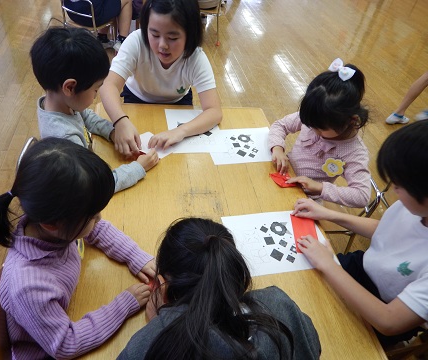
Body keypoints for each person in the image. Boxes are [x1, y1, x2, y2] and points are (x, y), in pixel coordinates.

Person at [0, 138, 156, 359]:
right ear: (52, 224)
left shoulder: (53, 223)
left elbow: (96, 230)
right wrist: (123, 304)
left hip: (68, 312)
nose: (99, 218)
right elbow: (65, 343)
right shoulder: (29, 287)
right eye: (92, 216)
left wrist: (134, 256)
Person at [292, 120, 428, 347]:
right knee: (299, 286)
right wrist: (328, 214)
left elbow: (389, 321)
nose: (393, 188)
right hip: (362, 267)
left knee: (320, 340)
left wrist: (330, 266)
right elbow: (386, 232)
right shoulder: (414, 207)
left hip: (381, 306)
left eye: (399, 186)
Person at [117, 218, 321, 360]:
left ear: (161, 287)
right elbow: (313, 347)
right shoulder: (280, 305)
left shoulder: (147, 345)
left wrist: (161, 322)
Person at [30, 27, 158, 193]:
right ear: (69, 87)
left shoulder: (59, 103)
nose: (96, 96)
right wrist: (138, 168)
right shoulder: (66, 141)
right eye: (95, 90)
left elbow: (85, 117)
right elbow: (92, 187)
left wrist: (113, 132)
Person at [99, 0, 223, 157]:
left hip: (178, 103)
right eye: (155, 34)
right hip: (136, 98)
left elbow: (214, 111)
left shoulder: (195, 57)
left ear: (190, 34)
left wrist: (181, 131)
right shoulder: (136, 41)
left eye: (172, 38)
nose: (162, 45)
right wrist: (120, 121)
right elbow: (108, 85)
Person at [268, 58, 371, 208]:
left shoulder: (354, 152)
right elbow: (280, 125)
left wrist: (318, 187)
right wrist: (277, 148)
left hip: (305, 199)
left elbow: (361, 196)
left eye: (320, 129)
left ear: (351, 120)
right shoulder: (316, 117)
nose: (312, 130)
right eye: (310, 125)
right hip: (283, 173)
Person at [64, 0, 132, 51]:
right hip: (91, 17)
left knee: (107, 3)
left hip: (72, 12)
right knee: (127, 1)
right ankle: (122, 41)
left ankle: (102, 38)